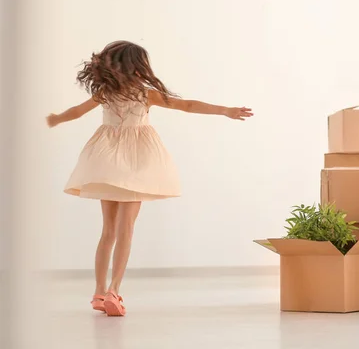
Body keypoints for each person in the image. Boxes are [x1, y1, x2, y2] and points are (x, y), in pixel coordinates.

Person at [46, 40, 254, 316]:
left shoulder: (105, 93)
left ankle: (98, 292)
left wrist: (53, 119)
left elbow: (75, 112)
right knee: (126, 230)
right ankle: (114, 291)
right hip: (136, 163)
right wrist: (225, 110)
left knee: (107, 231)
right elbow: (188, 105)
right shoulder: (145, 94)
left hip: (105, 161)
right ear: (137, 67)